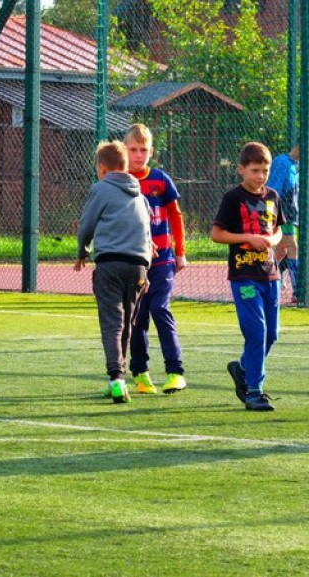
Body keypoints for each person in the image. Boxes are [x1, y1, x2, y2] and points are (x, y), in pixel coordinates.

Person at [75, 140, 153, 404]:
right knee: (127, 323)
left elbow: (87, 222)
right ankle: (117, 379)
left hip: (110, 263)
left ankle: (116, 378)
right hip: (138, 266)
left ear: (103, 168)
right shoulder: (140, 195)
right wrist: (147, 271)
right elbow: (147, 233)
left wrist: (82, 250)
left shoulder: (101, 188)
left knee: (111, 322)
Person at [211, 142, 285, 411]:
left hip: (270, 275)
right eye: (255, 170)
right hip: (244, 276)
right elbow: (217, 234)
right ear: (241, 169)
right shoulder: (233, 198)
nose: (260, 176)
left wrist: (270, 240)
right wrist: (248, 238)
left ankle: (242, 368)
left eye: (265, 170)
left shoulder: (273, 196)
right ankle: (254, 390)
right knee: (256, 331)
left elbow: (277, 230)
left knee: (272, 334)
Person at [124, 124, 188, 395]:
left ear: (151, 151)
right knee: (137, 317)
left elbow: (176, 216)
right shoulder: (119, 180)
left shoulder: (161, 179)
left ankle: (175, 371)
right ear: (124, 150)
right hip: (134, 262)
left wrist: (181, 252)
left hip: (162, 260)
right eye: (133, 150)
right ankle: (141, 374)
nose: (139, 155)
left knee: (160, 308)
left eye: (144, 150)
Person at [266, 144, 300, 300]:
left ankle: (266, 278)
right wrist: (272, 212)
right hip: (282, 213)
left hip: (291, 214)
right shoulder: (282, 162)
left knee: (281, 251)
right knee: (292, 246)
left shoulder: (295, 165)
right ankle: (298, 290)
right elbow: (274, 188)